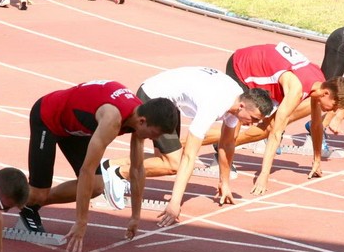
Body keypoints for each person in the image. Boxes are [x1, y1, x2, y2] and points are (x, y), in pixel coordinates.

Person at [100, 67, 273, 227]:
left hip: (169, 100)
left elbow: (227, 144)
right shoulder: (213, 105)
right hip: (153, 97)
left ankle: (108, 165)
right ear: (242, 106)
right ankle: (117, 174)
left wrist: (224, 182)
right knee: (174, 163)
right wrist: (175, 203)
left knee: (164, 159)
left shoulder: (237, 100)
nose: (253, 123)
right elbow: (189, 156)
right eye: (254, 118)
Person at [20, 80, 177, 252]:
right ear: (142, 121)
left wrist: (135, 216)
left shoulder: (141, 112)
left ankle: (30, 205)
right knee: (38, 193)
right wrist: (81, 222)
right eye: (154, 134)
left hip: (74, 128)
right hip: (48, 117)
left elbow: (137, 169)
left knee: (96, 186)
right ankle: (0, 191)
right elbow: (86, 170)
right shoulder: (112, 120)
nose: (153, 139)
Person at [205, 41, 344, 185]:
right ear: (326, 93)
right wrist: (264, 176)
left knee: (268, 127)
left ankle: (221, 145)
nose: (334, 111)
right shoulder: (296, 90)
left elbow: (316, 124)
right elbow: (277, 134)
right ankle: (195, 142)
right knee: (233, 131)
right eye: (335, 105)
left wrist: (317, 160)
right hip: (242, 66)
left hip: (265, 69)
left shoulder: (319, 83)